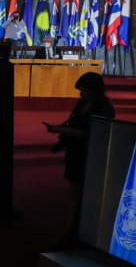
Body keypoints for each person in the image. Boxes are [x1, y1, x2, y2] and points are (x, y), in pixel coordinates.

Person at [44, 72, 115, 241]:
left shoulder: (105, 108)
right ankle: (74, 228)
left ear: (95, 90)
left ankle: (76, 231)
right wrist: (60, 131)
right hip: (75, 151)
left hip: (91, 153)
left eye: (84, 91)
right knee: (74, 192)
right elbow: (72, 122)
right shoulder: (82, 103)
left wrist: (60, 130)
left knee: (85, 193)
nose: (81, 94)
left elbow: (91, 132)